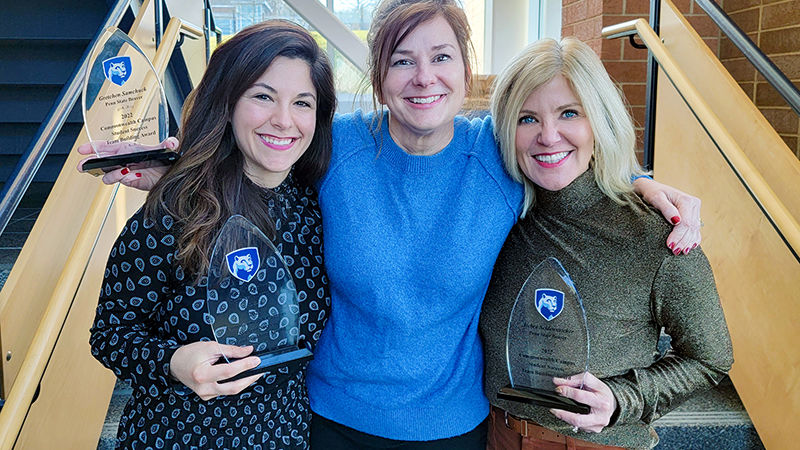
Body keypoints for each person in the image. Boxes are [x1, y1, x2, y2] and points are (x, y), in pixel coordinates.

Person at [80, 1, 703, 448]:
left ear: (466, 68)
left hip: (453, 425)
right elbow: (260, 146)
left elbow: (566, 146)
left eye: (441, 57)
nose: (424, 76)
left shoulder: (500, 151)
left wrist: (639, 183)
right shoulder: (334, 148)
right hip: (326, 417)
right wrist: (180, 167)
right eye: (402, 60)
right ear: (378, 78)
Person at [86, 20, 335, 449]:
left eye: (303, 103)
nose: (283, 120)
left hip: (283, 436)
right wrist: (173, 362)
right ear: (228, 102)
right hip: (175, 437)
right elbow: (111, 333)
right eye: (263, 96)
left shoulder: (319, 207)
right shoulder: (177, 208)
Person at [480, 37, 733, 450]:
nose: (548, 135)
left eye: (569, 113)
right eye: (527, 118)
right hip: (497, 434)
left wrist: (624, 399)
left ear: (599, 119)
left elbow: (710, 358)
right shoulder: (499, 216)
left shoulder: (655, 234)